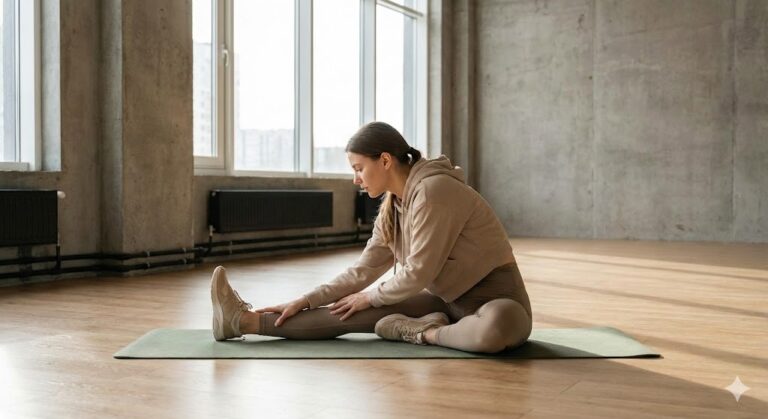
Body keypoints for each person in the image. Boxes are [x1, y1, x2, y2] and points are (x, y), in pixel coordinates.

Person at [210, 121, 532, 353]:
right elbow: (363, 270)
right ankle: (241, 321)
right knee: (347, 312)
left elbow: (419, 272)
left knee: (494, 329)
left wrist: (371, 296)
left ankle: (425, 332)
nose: (355, 179)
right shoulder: (393, 205)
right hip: (446, 302)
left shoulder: (435, 191)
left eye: (359, 168)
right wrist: (307, 299)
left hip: (497, 305)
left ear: (386, 160)